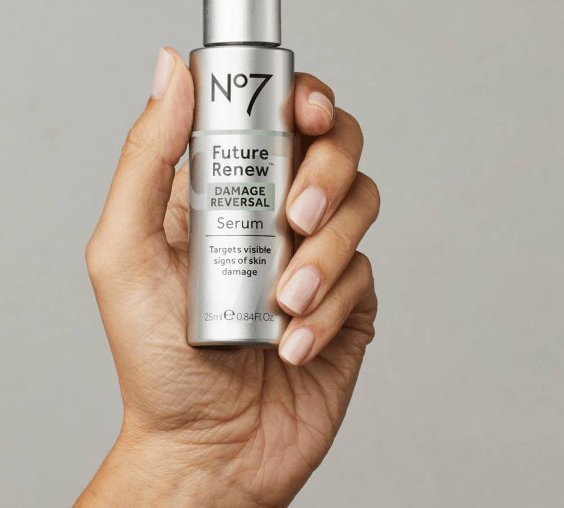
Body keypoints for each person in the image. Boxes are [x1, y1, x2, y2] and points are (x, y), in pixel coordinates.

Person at [74, 47, 380, 507]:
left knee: (302, 145)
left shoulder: (260, 76)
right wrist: (183, 450)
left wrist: (199, 460)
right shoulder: (216, 74)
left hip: (268, 371)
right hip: (210, 369)